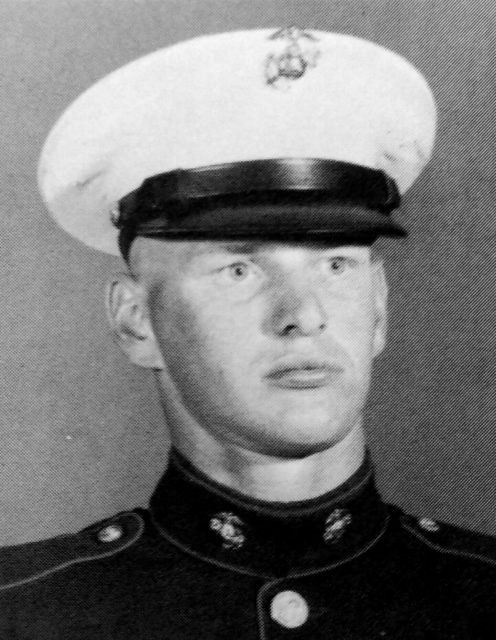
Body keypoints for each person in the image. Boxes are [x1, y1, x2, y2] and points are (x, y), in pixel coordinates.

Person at [1, 26, 495, 639]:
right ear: (135, 321)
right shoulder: (25, 613)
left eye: (335, 264)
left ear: (379, 307)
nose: (304, 314)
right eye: (240, 269)